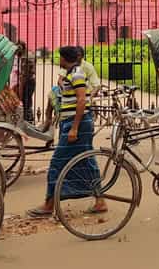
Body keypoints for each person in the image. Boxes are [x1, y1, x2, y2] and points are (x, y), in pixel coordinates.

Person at [28, 46, 106, 217]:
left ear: (66, 59)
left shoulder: (77, 74)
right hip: (71, 122)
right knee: (87, 161)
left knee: (58, 161)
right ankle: (100, 200)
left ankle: (49, 204)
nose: (58, 60)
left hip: (77, 124)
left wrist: (74, 128)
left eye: (60, 57)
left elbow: (81, 100)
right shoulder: (71, 74)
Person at [35, 46, 101, 135]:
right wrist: (64, 88)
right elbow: (60, 80)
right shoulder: (68, 66)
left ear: (82, 57)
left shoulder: (83, 69)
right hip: (67, 93)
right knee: (52, 93)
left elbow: (96, 86)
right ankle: (48, 120)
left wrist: (89, 97)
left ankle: (56, 119)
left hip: (79, 97)